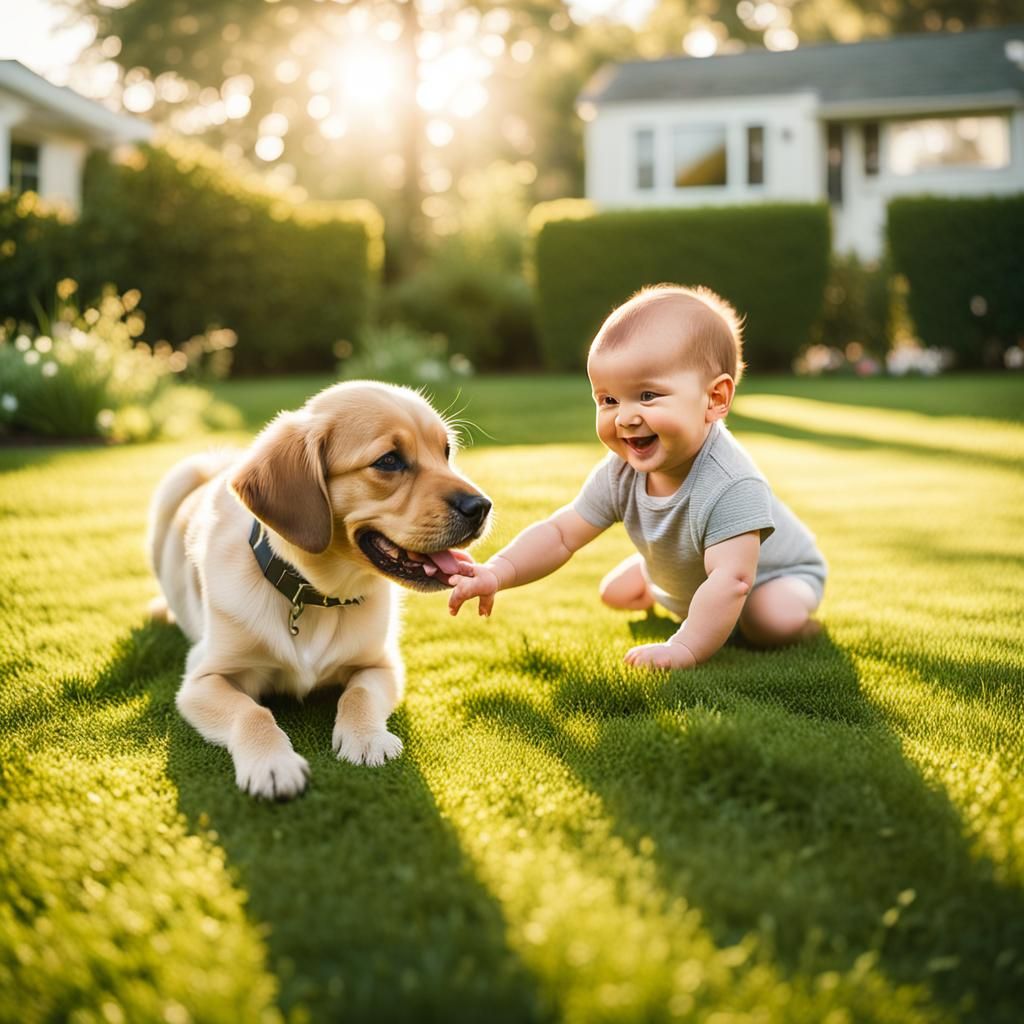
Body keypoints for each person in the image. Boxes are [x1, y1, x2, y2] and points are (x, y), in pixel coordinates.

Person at [447, 284, 827, 670]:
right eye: (608, 400)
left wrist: (683, 648)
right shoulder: (621, 473)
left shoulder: (731, 483)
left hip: (771, 576)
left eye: (647, 395)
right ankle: (664, 574)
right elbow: (561, 533)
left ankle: (798, 627)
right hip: (701, 574)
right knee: (613, 593)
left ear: (714, 399)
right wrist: (498, 571)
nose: (625, 417)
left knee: (767, 621)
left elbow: (733, 580)